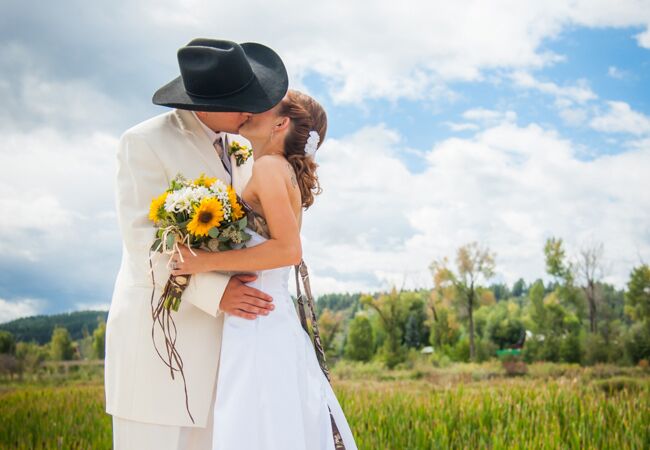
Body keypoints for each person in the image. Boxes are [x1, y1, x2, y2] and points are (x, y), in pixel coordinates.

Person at [105, 39, 288, 449]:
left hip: (228, 359)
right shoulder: (144, 142)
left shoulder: (241, 148)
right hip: (159, 349)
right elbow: (144, 247)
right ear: (203, 103)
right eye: (242, 100)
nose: (252, 109)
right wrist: (217, 292)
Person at [170, 89, 358, 450]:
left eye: (264, 105)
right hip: (267, 315)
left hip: (257, 318)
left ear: (281, 122)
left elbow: (288, 249)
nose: (250, 108)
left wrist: (203, 262)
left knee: (255, 425)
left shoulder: (270, 167)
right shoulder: (278, 168)